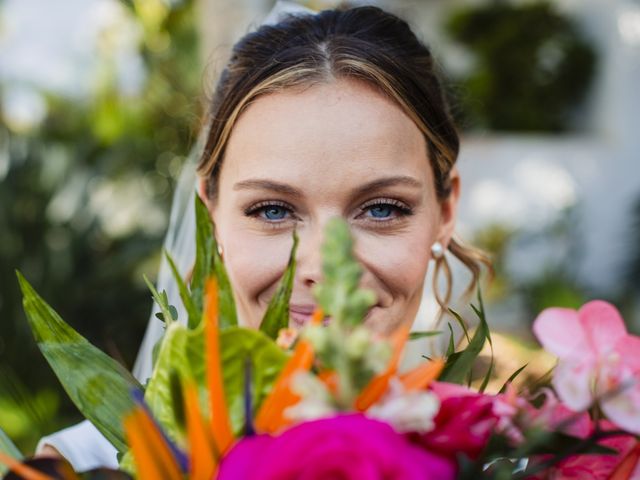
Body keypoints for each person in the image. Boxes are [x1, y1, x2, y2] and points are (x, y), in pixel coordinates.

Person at [37, 2, 489, 471]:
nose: (322, 269)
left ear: (446, 210)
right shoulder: (90, 466)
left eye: (381, 209)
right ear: (210, 214)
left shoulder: (500, 455)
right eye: (273, 210)